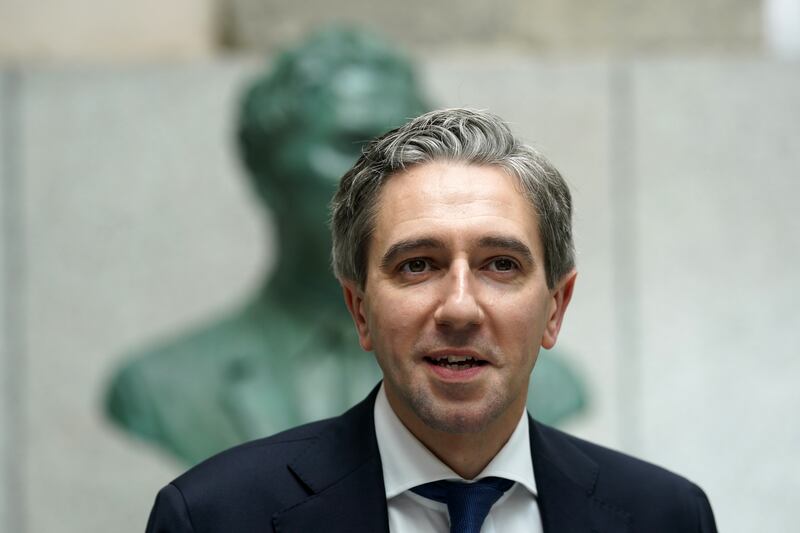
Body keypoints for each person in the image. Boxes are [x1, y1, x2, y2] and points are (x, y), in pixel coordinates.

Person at [145, 108, 717, 532]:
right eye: (418, 265)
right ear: (360, 310)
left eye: (501, 265)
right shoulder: (213, 517)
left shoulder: (665, 516)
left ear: (555, 308)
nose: (461, 308)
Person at [105, 28, 587, 466]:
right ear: (265, 172)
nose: (385, 179)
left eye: (406, 152)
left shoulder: (544, 382)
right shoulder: (164, 385)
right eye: (350, 144)